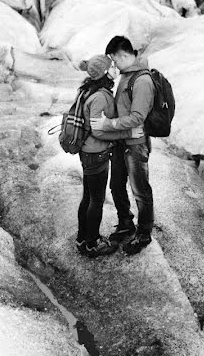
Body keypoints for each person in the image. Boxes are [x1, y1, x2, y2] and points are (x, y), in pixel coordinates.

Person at [90, 36, 154, 255]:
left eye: (114, 60)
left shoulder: (142, 80)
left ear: (123, 55)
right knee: (116, 185)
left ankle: (144, 234)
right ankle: (126, 223)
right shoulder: (127, 76)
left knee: (140, 190)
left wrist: (109, 124)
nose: (114, 65)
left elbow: (137, 117)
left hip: (136, 145)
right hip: (122, 142)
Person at [74, 54, 141, 258]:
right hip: (96, 153)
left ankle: (82, 238)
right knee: (96, 199)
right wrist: (127, 133)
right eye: (111, 66)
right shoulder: (101, 97)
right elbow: (97, 130)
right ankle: (92, 244)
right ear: (104, 73)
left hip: (88, 152)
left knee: (88, 196)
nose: (114, 68)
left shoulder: (88, 90)